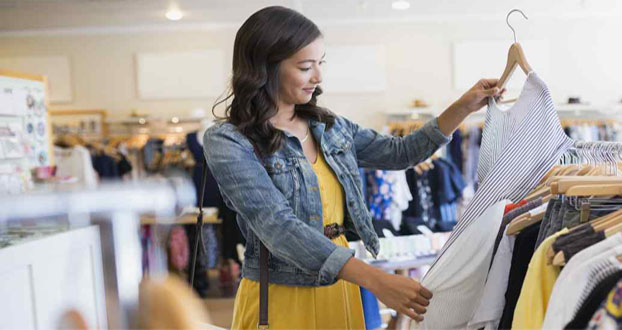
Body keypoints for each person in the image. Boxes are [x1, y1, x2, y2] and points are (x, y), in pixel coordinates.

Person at [203, 6, 506, 329]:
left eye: (321, 64)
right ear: (265, 68)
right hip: (283, 291)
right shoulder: (229, 141)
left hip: (341, 283)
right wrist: (376, 280)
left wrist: (463, 106)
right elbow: (278, 226)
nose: (318, 77)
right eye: (306, 67)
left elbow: (400, 152)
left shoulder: (329, 126)